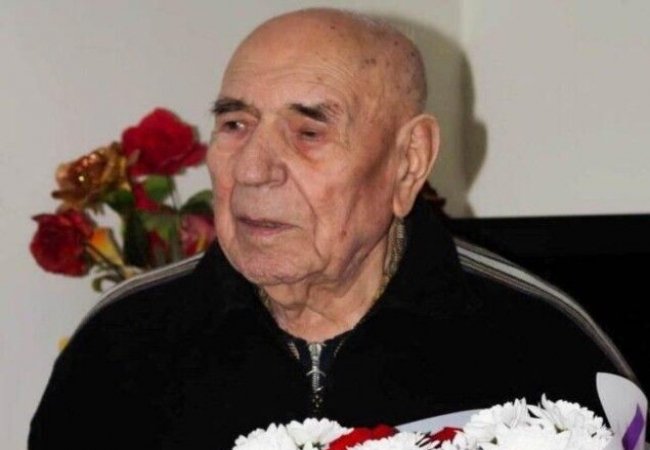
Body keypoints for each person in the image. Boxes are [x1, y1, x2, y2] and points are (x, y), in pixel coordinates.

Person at [29, 8, 634, 450]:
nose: (254, 170)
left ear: (408, 162)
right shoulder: (122, 344)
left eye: (308, 133)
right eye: (236, 124)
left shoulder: (542, 347)